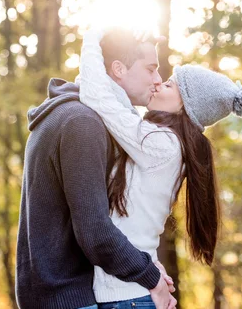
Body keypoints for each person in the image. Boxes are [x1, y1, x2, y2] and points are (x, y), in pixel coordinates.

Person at [78, 27, 242, 308]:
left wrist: (93, 38)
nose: (159, 83)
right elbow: (118, 105)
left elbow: (98, 98)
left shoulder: (162, 145)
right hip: (132, 291)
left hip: (126, 297)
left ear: (186, 108)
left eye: (170, 85)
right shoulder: (165, 142)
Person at [15, 31, 177, 308]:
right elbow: (95, 232)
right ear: (118, 70)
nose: (157, 80)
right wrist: (151, 278)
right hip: (69, 298)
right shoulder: (81, 122)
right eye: (150, 69)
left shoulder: (71, 115)